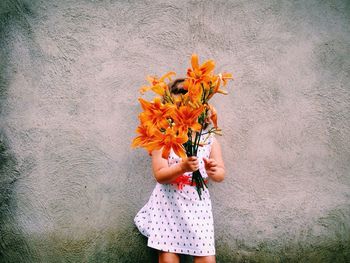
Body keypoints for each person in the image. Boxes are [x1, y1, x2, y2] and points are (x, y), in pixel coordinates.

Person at [134, 78, 225, 263]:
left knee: (206, 258)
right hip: (169, 203)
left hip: (197, 204)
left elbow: (221, 173)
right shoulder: (162, 138)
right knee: (168, 257)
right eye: (176, 108)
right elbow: (160, 174)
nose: (182, 114)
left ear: (201, 109)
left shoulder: (208, 139)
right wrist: (182, 167)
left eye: (190, 107)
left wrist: (214, 171)